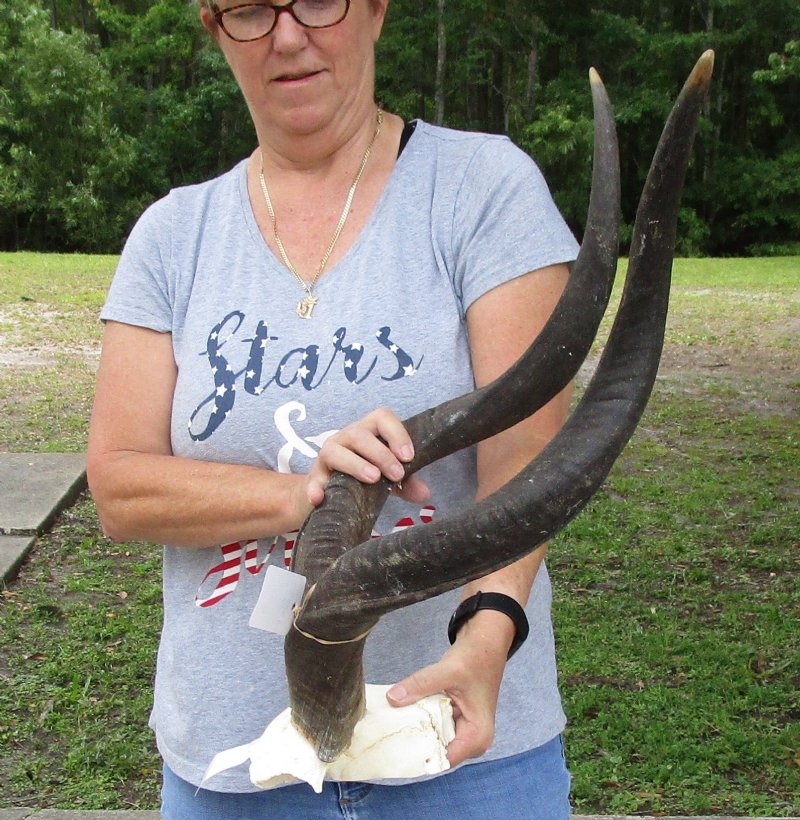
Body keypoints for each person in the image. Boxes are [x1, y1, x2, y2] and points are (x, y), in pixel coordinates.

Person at [87, 0, 580, 816]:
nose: (287, 34)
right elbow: (119, 485)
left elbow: (530, 469)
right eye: (250, 9)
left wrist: (487, 635)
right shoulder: (171, 237)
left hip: (457, 750)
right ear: (216, 30)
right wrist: (310, 496)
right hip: (240, 767)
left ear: (376, 10)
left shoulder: (481, 190)